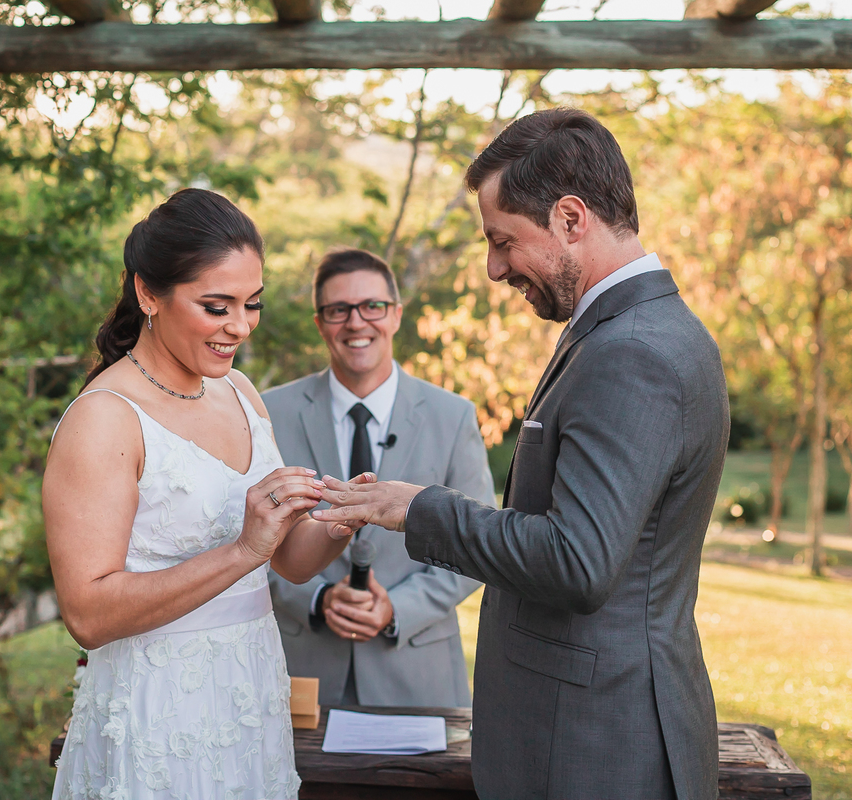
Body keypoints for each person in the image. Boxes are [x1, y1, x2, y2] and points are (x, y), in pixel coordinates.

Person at [314, 108, 730, 800]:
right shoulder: (631, 331)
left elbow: (577, 562)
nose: (494, 268)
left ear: (570, 218)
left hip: (596, 746)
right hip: (586, 728)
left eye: (503, 241)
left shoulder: (630, 352)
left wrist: (418, 508)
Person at [44, 189, 356, 800]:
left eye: (252, 304)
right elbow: (88, 614)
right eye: (217, 307)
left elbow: (290, 562)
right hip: (156, 711)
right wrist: (242, 551)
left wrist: (343, 519)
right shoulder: (105, 418)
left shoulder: (240, 391)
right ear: (148, 293)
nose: (239, 327)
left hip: (248, 698)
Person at [262, 249, 494, 707]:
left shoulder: (453, 416)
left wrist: (396, 608)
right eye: (338, 310)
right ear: (319, 323)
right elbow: (246, 542)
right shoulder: (268, 413)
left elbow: (474, 543)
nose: (356, 322)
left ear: (396, 315)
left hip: (417, 675)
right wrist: (317, 599)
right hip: (301, 675)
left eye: (372, 306)